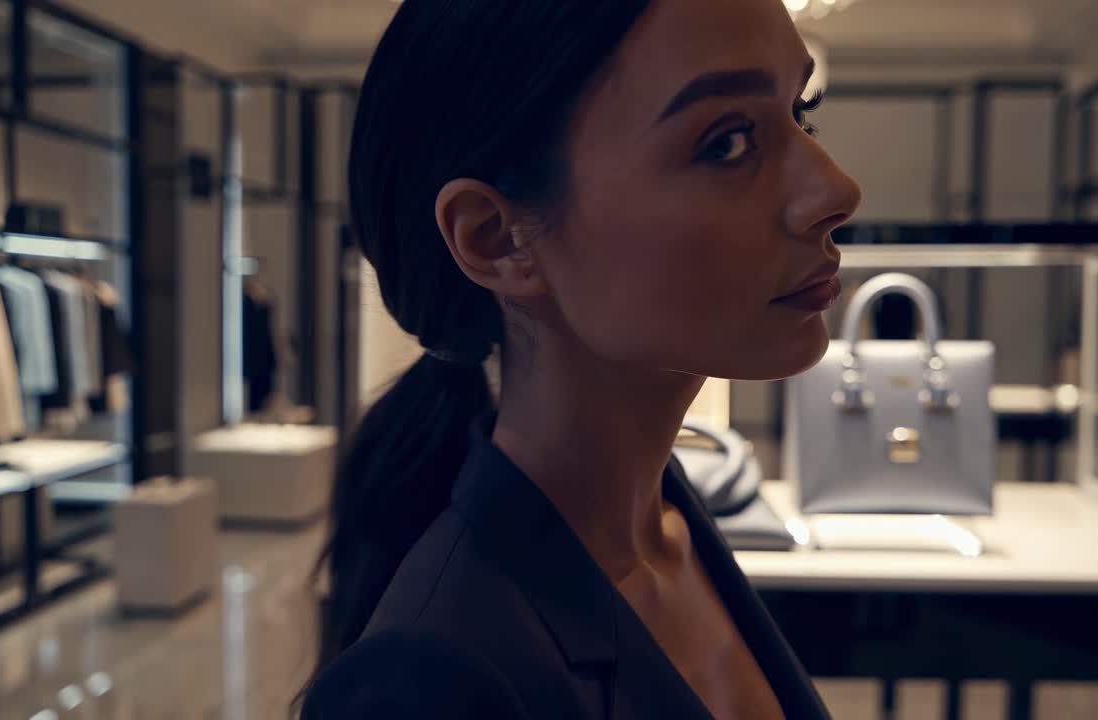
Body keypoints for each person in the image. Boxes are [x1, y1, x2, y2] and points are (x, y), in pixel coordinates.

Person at [301, 0, 860, 717]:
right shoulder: (427, 679)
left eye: (800, 114)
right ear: (497, 239)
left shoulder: (670, 525)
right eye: (726, 143)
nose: (835, 190)